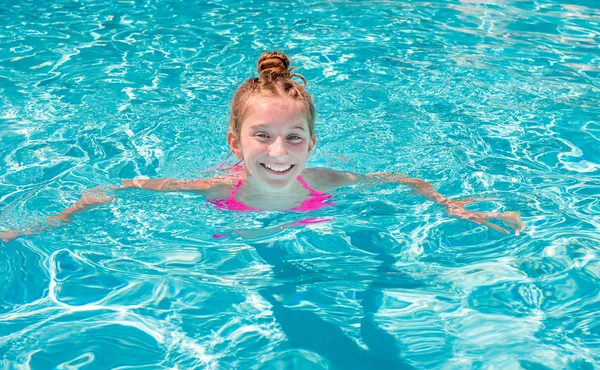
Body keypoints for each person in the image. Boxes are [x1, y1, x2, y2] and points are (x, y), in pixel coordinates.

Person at [0, 51, 525, 243]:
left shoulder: (324, 181)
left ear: (312, 144)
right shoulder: (213, 186)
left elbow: (404, 181)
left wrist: (452, 207)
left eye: (295, 137)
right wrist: (38, 226)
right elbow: (122, 186)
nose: (279, 150)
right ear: (235, 142)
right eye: (263, 136)